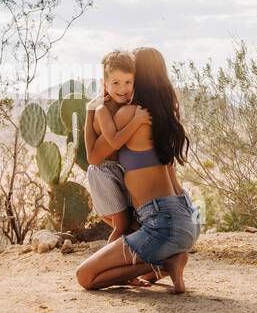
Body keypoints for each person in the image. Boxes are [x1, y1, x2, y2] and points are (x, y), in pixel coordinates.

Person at [75, 47, 199, 294]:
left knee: (86, 277)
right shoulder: (164, 119)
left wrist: (91, 111)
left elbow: (93, 157)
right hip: (189, 218)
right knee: (123, 229)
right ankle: (170, 260)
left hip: (161, 222)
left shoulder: (130, 114)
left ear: (137, 78)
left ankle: (167, 262)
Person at [84, 50, 150, 242]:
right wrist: (136, 121)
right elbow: (113, 141)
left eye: (128, 82)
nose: (123, 88)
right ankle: (104, 262)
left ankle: (134, 263)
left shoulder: (125, 105)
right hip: (104, 171)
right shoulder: (102, 109)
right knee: (121, 224)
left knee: (132, 223)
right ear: (104, 85)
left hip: (120, 170)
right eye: (116, 83)